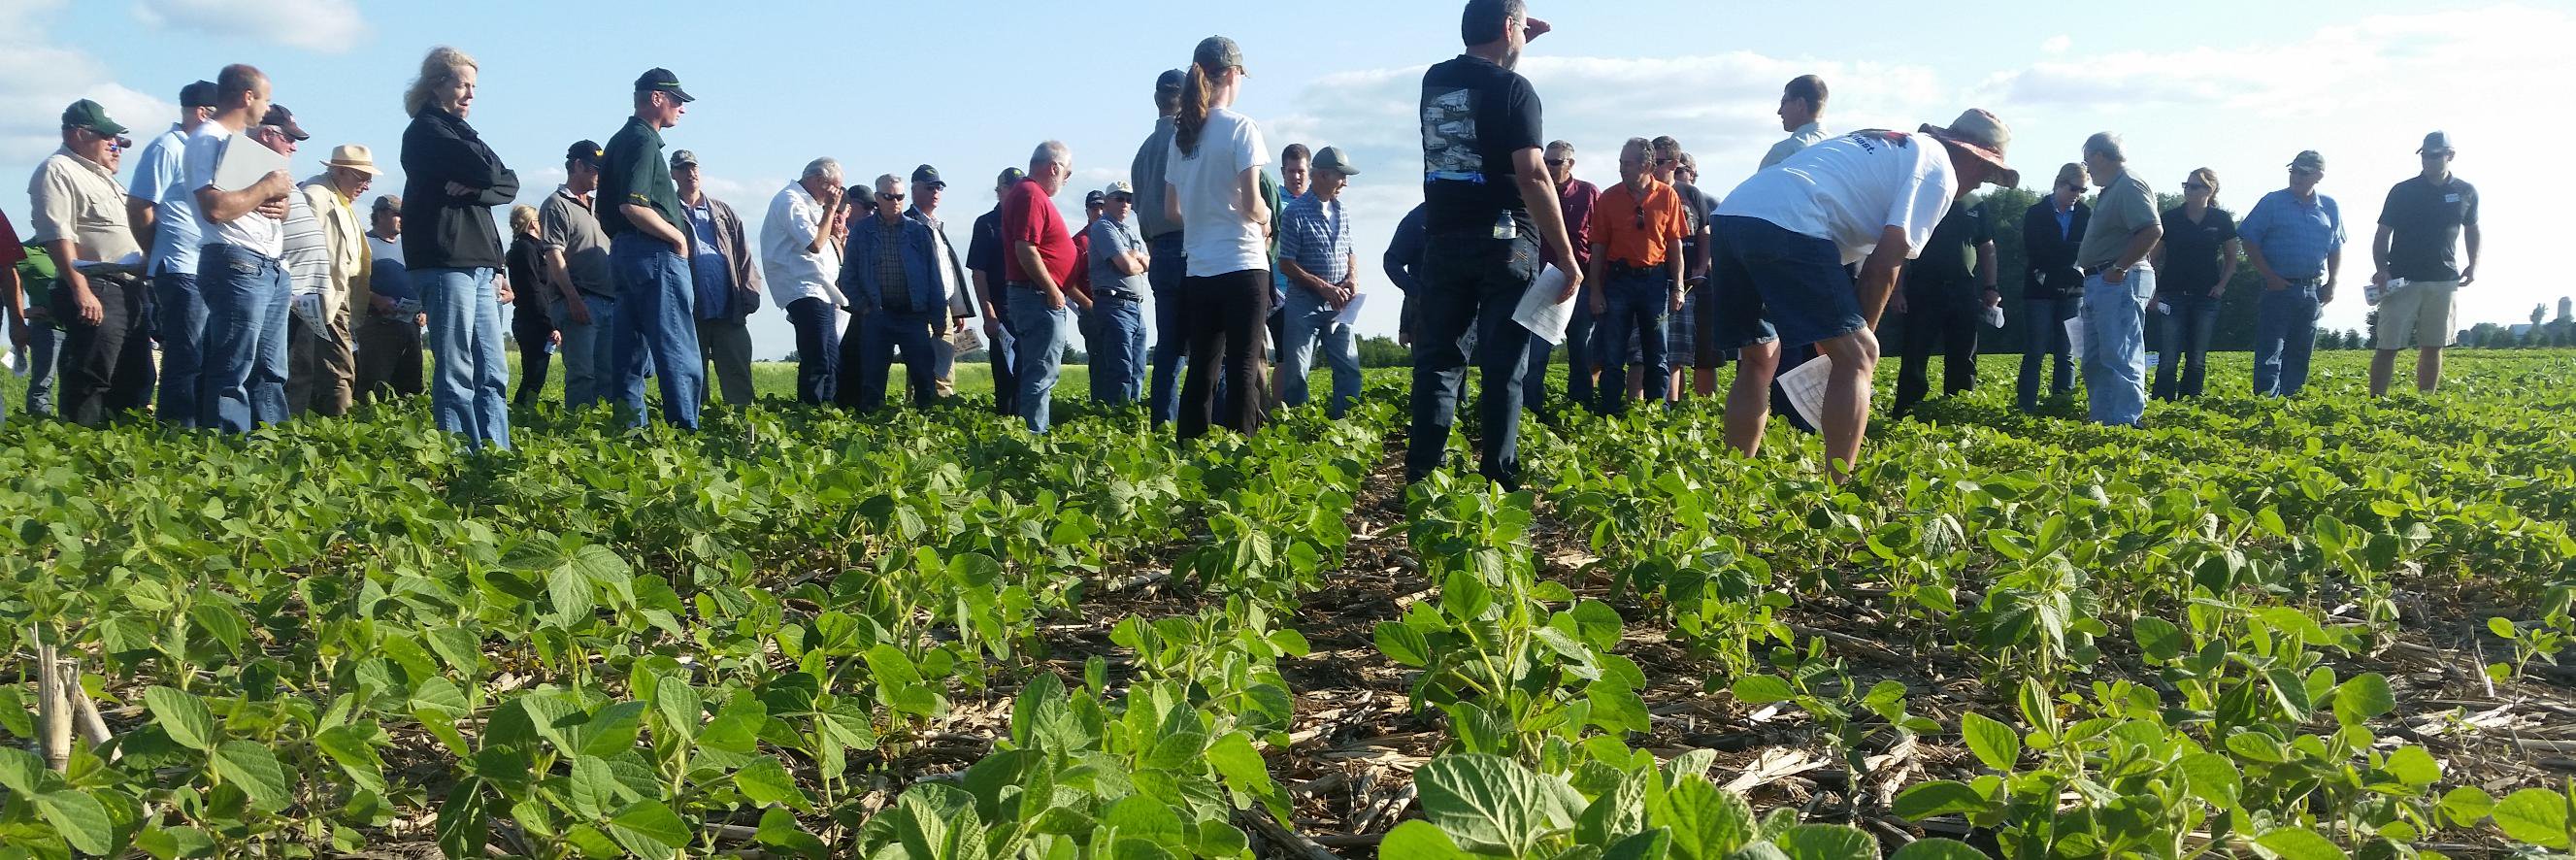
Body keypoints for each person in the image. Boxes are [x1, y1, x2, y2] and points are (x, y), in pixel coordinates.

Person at [1713, 111, 2018, 478]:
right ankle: (1838, 489)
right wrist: (1857, 344)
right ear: (1971, 156)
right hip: (1790, 220)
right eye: (1985, 174)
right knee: (1860, 356)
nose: (1981, 185)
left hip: (1733, 215)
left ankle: (1731, 480)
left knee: (1759, 356)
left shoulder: (1897, 146)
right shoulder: (1939, 171)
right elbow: (1884, 265)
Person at [1410, 0, 1581, 488]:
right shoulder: (1516, 90)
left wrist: (1517, 35)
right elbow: (1531, 173)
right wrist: (1566, 256)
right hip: (1507, 242)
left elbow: (1478, 79)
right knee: (1504, 365)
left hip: (1443, 238)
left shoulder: (1434, 80)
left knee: (1439, 363)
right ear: (1510, 28)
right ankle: (1498, 477)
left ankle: (1423, 476)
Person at [401, 48, 520, 448]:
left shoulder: (462, 132)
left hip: (481, 264)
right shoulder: (427, 131)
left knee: (493, 369)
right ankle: (459, 457)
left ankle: (495, 453)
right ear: (437, 85)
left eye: (474, 86)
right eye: (462, 85)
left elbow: (511, 183)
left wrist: (478, 189)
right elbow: (492, 172)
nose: (470, 94)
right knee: (456, 367)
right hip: (445, 262)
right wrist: (487, 183)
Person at [1167, 36, 1274, 441]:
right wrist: (1265, 220)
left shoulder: (1184, 135)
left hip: (1200, 267)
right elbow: (1251, 202)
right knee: (1244, 365)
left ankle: (1190, 450)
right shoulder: (1242, 128)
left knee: (1202, 368)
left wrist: (1204, 215)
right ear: (1232, 74)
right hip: (1243, 262)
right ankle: (1240, 453)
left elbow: (1172, 211)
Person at [186, 67, 298, 433]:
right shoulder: (208, 138)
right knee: (233, 364)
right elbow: (214, 208)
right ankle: (227, 447)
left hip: (268, 265)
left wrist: (280, 205)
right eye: (265, 99)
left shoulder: (243, 144)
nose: (266, 109)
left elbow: (256, 203)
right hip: (236, 261)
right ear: (247, 96)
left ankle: (270, 443)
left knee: (270, 368)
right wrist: (267, 187)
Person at [32, 99, 152, 426]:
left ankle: (121, 450)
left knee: (135, 375)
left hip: (130, 289)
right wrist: (81, 290)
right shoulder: (58, 169)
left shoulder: (107, 178)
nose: (116, 147)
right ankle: (81, 443)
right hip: (98, 287)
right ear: (79, 134)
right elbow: (58, 236)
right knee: (91, 374)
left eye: (120, 143)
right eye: (109, 139)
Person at [601, 68, 703, 429]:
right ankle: (686, 435)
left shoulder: (620, 139)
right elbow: (633, 205)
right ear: (657, 98)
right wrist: (676, 238)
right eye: (677, 100)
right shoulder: (644, 141)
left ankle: (632, 437)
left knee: (629, 356)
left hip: (625, 253)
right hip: (655, 255)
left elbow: (611, 211)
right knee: (678, 350)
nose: (682, 109)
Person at [127, 81, 216, 426]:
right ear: (203, 112)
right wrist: (154, 251)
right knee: (186, 352)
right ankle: (177, 429)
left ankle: (200, 425)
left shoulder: (205, 151)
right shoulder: (168, 147)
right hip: (179, 265)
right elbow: (140, 205)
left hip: (204, 266)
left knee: (204, 352)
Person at [2369, 131, 2478, 396]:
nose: (2428, 160)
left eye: (2434, 155)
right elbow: (2382, 234)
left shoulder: (2466, 191)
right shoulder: (2403, 191)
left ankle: (2425, 402)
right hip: (2402, 279)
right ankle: (2375, 404)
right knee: (2388, 346)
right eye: (2425, 155)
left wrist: (2473, 264)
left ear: (2449, 155)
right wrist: (2381, 268)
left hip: (2444, 279)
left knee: (2433, 345)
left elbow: (2472, 229)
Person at [1586, 137, 1689, 416]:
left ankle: (1658, 414)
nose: (1621, 168)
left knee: (1658, 353)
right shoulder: (1609, 198)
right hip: (1618, 281)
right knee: (1613, 352)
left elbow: (1675, 244)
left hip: (1655, 282)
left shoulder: (1668, 196)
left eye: (1627, 163)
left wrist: (1678, 287)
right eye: (1620, 163)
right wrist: (1595, 290)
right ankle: (1608, 412)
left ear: (1646, 165)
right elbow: (1598, 247)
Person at [2070, 132, 2163, 425]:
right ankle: (2103, 421)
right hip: (2102, 280)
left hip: (2119, 280)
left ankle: (2125, 423)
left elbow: (2152, 230)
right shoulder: (2113, 188)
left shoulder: (2129, 184)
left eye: (2088, 162)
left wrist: (2119, 267)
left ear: (2099, 156)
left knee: (2120, 355)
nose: (2087, 168)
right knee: (2097, 359)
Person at [249, 111, 335, 418]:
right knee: (278, 367)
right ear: (264, 133)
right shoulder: (251, 170)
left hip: (300, 294)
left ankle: (286, 430)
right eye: (288, 138)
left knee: (296, 369)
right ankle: (274, 433)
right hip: (282, 289)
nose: (294, 147)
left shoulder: (278, 173)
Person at [842, 173, 950, 413]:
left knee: (924, 377)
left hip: (913, 315)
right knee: (873, 379)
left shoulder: (918, 232)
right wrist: (863, 306)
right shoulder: (861, 232)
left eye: (899, 197)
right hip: (877, 315)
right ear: (878, 198)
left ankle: (927, 428)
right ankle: (871, 430)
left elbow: (934, 279)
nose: (895, 202)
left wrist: (938, 317)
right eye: (889, 197)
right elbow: (848, 277)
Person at [2238, 149, 2342, 398]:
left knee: (2300, 352)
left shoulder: (2329, 206)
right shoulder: (2272, 202)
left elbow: (2336, 246)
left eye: (2303, 172)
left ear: (2318, 176)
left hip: (2313, 289)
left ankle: (2290, 401)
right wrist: (2269, 276)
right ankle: (2265, 404)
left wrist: (2332, 282)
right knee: (2270, 351)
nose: (2295, 176)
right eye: (2293, 170)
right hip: (2279, 288)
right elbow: (2249, 240)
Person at [1888, 197, 1998, 417]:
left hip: (1964, 287)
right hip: (1924, 286)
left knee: (1964, 354)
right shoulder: (1927, 196)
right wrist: (1897, 290)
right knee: (1916, 351)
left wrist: (1991, 286)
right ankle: (1907, 412)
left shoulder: (1976, 205)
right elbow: (1902, 245)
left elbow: (1987, 247)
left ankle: (1957, 412)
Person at [287, 140, 375, 417]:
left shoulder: (341, 198)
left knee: (324, 366)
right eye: (362, 177)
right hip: (318, 295)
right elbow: (300, 249)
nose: (367, 185)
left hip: (338, 294)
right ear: (339, 171)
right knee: (337, 366)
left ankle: (318, 424)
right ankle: (337, 428)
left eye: (369, 179)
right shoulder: (315, 196)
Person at [1275, 147, 1365, 417]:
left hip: (1340, 306)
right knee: (1297, 373)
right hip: (1304, 305)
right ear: (1323, 175)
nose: (1345, 183)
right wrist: (1324, 287)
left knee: (1349, 369)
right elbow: (1286, 263)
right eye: (1341, 177)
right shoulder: (1295, 213)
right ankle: (1296, 432)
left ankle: (1345, 426)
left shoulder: (1343, 211)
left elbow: (1350, 251)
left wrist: (1352, 277)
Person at [671, 149, 762, 408]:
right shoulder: (667, 211)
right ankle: (696, 437)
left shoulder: (722, 211)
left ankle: (746, 437)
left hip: (729, 311)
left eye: (694, 168)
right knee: (692, 380)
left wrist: (749, 293)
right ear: (673, 174)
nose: (691, 173)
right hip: (690, 313)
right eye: (683, 169)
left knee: (738, 377)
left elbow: (744, 256)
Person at [1006, 143, 1082, 433]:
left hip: (1036, 295)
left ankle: (1032, 432)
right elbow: (1026, 248)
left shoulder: (1029, 193)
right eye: (1068, 171)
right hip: (1036, 297)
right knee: (1041, 373)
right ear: (1054, 167)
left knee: (1041, 370)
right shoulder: (1030, 195)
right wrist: (1052, 289)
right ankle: (1033, 437)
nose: (1067, 178)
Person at [537, 142, 615, 411]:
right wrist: (572, 299)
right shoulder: (557, 204)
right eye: (595, 169)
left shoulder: (598, 206)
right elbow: (553, 255)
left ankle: (605, 435)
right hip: (580, 299)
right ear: (578, 165)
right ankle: (580, 433)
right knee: (583, 375)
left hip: (608, 299)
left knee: (608, 375)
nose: (599, 176)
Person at [761, 157, 844, 405]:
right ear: (820, 181)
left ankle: (826, 414)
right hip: (804, 288)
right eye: (835, 187)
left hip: (822, 290)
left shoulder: (808, 203)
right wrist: (830, 209)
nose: (837, 195)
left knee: (830, 359)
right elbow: (816, 243)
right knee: (817, 358)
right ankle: (810, 414)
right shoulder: (790, 201)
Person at [2148, 168, 2237, 400]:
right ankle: (2162, 404)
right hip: (2172, 293)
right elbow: (2154, 257)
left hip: (2206, 296)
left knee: (2197, 357)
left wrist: (2221, 286)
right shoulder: (2170, 218)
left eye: (2195, 186)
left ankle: (2190, 404)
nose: (2188, 190)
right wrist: (2154, 292)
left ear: (2210, 190)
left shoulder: (2221, 220)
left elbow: (2232, 259)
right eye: (2186, 185)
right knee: (2168, 356)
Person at [1522, 140, 1598, 411]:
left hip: (1582, 284)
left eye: (1555, 162)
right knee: (1536, 355)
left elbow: (1600, 240)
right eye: (1545, 162)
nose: (1549, 167)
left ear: (1570, 164)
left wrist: (1597, 285)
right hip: (1543, 284)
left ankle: (1581, 409)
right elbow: (1521, 240)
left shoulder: (1588, 193)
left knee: (1582, 351)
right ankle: (1533, 411)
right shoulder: (1534, 193)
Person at [1134, 69, 1191, 426]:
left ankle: (1162, 425)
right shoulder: (1187, 141)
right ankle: (1204, 425)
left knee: (1168, 347)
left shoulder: (1142, 152)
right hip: (1190, 246)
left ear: (1157, 99)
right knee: (1207, 346)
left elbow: (1140, 211)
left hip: (1159, 252)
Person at [2017, 162, 2089, 413]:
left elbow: (2088, 251)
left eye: (2082, 190)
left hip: (2073, 292)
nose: (2077, 195)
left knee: (2066, 353)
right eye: (2074, 188)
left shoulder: (2086, 214)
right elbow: (2036, 251)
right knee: (2035, 351)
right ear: (2059, 184)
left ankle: (2062, 407)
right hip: (2039, 292)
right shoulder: (2035, 213)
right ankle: (2026, 408)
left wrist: (2063, 255)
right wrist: (2071, 254)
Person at [1651, 138, 1716, 402]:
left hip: (1694, 281)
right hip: (1658, 279)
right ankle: (1666, 404)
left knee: (1697, 352)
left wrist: (1701, 267)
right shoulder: (1647, 192)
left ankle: (1690, 408)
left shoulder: (1692, 194)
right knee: (1662, 351)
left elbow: (1704, 233)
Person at [906, 164, 975, 400]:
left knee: (945, 363)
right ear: (914, 190)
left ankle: (943, 410)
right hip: (920, 306)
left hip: (943, 305)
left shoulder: (936, 225)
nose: (936, 192)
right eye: (930, 187)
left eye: (939, 187)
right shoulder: (907, 224)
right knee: (920, 362)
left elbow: (947, 271)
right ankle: (917, 413)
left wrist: (957, 308)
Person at [353, 195, 424, 402]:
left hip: (410, 324)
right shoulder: (364, 244)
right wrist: (376, 299)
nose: (403, 219)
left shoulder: (408, 246)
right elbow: (353, 284)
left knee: (411, 383)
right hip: (377, 324)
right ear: (381, 214)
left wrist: (424, 310)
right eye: (398, 214)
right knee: (376, 382)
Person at [965, 168, 1023, 416]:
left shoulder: (1028, 220)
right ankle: (1005, 424)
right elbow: (979, 273)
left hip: (1030, 307)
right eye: (1011, 189)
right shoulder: (987, 223)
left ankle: (1028, 425)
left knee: (1028, 373)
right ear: (999, 191)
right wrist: (989, 314)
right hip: (1003, 309)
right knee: (1006, 375)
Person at [1087, 181, 1151, 406]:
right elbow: (1126, 266)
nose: (1125, 203)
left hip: (1135, 306)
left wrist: (1137, 257)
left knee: (1137, 368)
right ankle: (1118, 417)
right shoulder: (1103, 227)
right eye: (1119, 198)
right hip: (1114, 304)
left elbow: (1148, 263)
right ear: (1107, 202)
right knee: (1121, 368)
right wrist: (1136, 258)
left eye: (1129, 199)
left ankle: (1130, 414)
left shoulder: (1129, 231)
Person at [504, 204, 555, 406]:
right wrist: (550, 323)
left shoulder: (524, 247)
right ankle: (521, 415)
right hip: (533, 321)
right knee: (534, 376)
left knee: (535, 376)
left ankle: (522, 414)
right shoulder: (526, 248)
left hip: (531, 318)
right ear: (534, 223)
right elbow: (534, 289)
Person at [1762, 75, 1832, 170]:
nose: (1779, 111)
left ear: (1800, 104)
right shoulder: (1840, 148)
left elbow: (1760, 184)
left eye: (1783, 103)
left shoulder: (1783, 152)